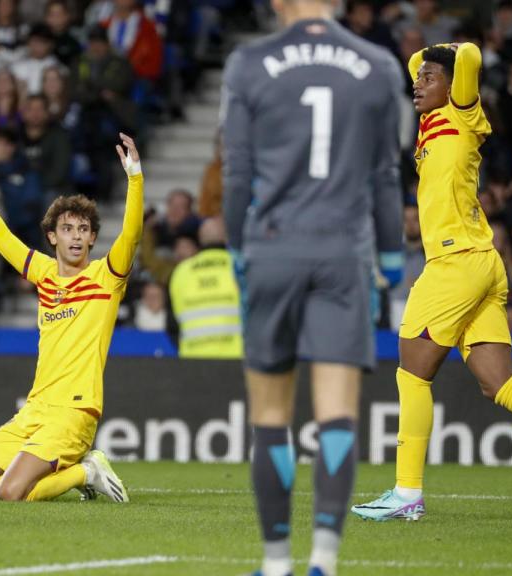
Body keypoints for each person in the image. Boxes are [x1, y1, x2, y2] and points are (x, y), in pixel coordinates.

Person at [352, 40, 512, 525]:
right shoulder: (429, 121)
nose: (418, 83)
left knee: (411, 371)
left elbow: (467, 53)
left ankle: (407, 492)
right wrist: (426, 65)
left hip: (455, 264)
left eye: (430, 78)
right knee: (498, 383)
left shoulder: (464, 114)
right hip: (482, 263)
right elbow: (417, 67)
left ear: (452, 86)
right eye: (419, 79)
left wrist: (441, 55)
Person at [221, 2, 404, 574]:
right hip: (341, 253)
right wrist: (392, 257)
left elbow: (237, 173)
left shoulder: (249, 63)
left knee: (271, 416)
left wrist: (236, 249)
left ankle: (276, 562)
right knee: (336, 415)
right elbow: (385, 177)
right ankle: (324, 558)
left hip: (274, 248)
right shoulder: (377, 65)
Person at [0, 128, 141, 503]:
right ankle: (73, 472)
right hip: (34, 410)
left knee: (14, 492)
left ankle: (86, 469)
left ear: (93, 238)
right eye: (67, 229)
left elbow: (131, 234)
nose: (76, 236)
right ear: (53, 237)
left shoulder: (106, 278)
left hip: (75, 412)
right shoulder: (44, 274)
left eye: (84, 229)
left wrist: (135, 178)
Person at [167, 217, 242, 358]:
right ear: (227, 238)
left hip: (193, 358)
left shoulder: (181, 271)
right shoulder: (240, 266)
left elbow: (171, 324)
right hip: (236, 356)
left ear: (200, 240)